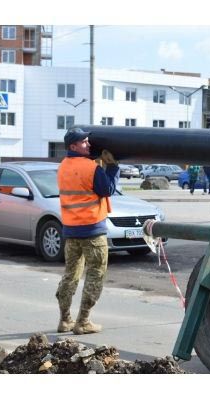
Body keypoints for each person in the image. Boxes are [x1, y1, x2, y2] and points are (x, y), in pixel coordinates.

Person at [55, 127, 120, 335]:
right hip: (92, 230)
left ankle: (65, 320)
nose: (88, 144)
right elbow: (107, 189)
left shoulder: (63, 166)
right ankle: (83, 321)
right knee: (95, 274)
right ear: (73, 146)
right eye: (84, 142)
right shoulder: (90, 168)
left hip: (71, 231)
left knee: (70, 275)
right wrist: (112, 167)